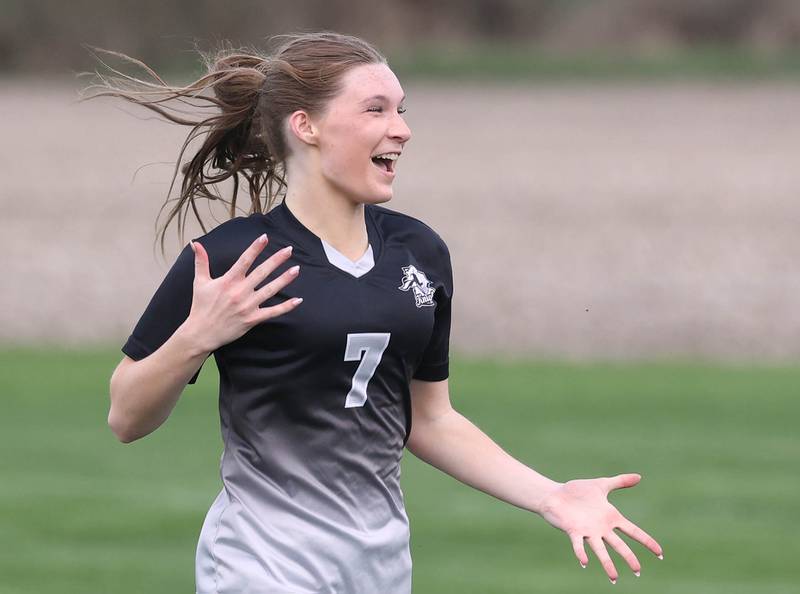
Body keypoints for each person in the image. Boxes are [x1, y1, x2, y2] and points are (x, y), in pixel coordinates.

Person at [84, 31, 663, 594]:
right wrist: (198, 336)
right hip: (262, 562)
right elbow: (125, 417)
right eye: (375, 109)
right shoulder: (233, 257)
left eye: (401, 110)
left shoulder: (419, 253)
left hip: (380, 565)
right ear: (306, 126)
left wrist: (551, 496)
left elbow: (430, 420)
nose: (402, 129)